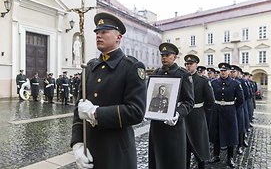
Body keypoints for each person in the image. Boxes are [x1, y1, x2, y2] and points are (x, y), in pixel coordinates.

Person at [70, 12, 146, 169]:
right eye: (97, 32)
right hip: (90, 149)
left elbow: (136, 111)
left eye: (104, 32)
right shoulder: (89, 67)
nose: (99, 35)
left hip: (116, 152)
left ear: (118, 37)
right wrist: (77, 144)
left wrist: (96, 113)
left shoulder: (131, 67)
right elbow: (78, 109)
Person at [148, 42, 194, 169]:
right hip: (157, 125)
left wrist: (178, 113)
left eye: (167, 55)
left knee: (174, 160)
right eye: (162, 55)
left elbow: (189, 101)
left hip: (174, 125)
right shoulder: (156, 73)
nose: (164, 57)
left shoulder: (183, 74)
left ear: (174, 57)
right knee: (156, 159)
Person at [209, 62, 244, 168]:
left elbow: (241, 99)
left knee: (230, 135)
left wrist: (232, 108)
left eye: (225, 71)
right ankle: (216, 155)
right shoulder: (214, 83)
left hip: (230, 112)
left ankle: (230, 158)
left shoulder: (235, 84)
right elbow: (210, 97)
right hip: (217, 111)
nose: (223, 72)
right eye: (221, 71)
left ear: (229, 72)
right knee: (216, 134)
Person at [184, 54, 215, 169]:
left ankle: (201, 165)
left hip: (198, 115)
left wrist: (202, 111)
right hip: (185, 115)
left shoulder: (203, 80)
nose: (188, 66)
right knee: (185, 145)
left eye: (191, 64)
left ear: (196, 65)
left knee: (199, 144)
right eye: (186, 64)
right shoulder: (182, 78)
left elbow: (210, 100)